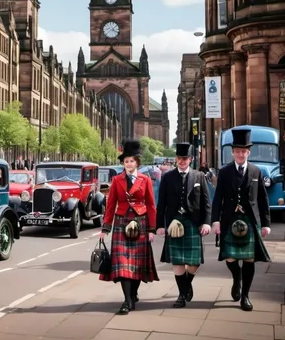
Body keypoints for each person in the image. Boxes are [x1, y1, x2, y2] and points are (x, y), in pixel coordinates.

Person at [211, 128, 271, 312]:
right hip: (229, 219)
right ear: (233, 152)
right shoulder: (225, 171)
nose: (240, 154)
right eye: (237, 151)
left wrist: (266, 223)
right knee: (230, 259)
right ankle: (237, 278)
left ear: (248, 152)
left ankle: (245, 296)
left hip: (250, 219)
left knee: (249, 260)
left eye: (243, 151)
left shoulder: (256, 171)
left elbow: (263, 199)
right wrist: (215, 221)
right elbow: (218, 198)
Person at [99, 139, 159, 314]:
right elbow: (110, 205)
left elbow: (151, 205)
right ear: (123, 163)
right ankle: (127, 301)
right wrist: (105, 228)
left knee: (137, 265)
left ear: (137, 163)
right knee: (124, 264)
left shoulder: (145, 180)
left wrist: (152, 229)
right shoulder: (117, 180)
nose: (129, 164)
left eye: (132, 161)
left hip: (140, 222)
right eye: (126, 161)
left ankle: (133, 294)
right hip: (121, 222)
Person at [156, 143, 212, 308]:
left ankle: (186, 283)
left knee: (194, 262)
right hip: (174, 222)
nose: (182, 161)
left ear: (191, 159)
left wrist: (206, 223)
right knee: (178, 261)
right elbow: (162, 204)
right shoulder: (167, 177)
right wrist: (159, 225)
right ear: (176, 159)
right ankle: (182, 294)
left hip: (193, 222)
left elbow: (206, 202)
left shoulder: (199, 176)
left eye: (185, 158)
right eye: (179, 158)